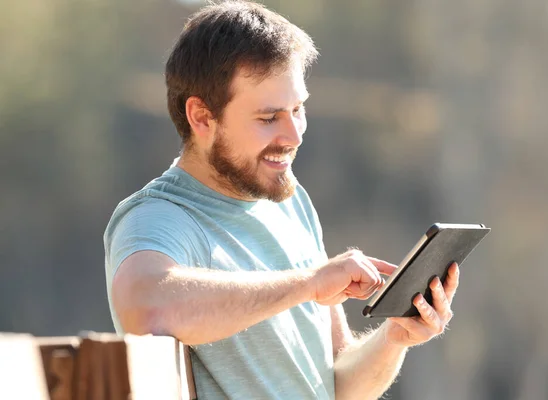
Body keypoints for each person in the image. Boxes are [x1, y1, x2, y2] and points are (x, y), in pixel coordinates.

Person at [104, 1, 459, 399]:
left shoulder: (291, 203)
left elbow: (339, 385)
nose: (294, 135)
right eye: (269, 118)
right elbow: (147, 307)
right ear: (202, 118)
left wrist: (396, 335)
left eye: (298, 109)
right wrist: (308, 284)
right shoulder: (157, 217)